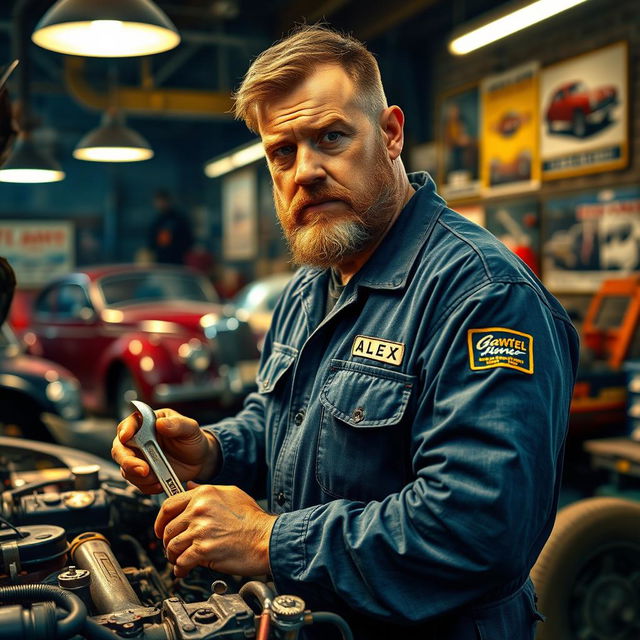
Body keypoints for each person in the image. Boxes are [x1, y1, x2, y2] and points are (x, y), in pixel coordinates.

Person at [112, 25, 579, 639]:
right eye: (283, 152)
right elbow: (283, 422)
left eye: (331, 137)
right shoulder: (312, 284)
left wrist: (267, 538)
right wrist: (213, 449)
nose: (305, 171)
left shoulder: (483, 296)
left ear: (390, 134)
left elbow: (480, 528)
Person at [147, 189, 193, 264]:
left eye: (162, 201)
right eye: (158, 202)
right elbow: (151, 242)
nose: (160, 204)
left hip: (177, 260)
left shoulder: (178, 219)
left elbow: (188, 240)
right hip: (160, 261)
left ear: (168, 201)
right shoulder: (156, 221)